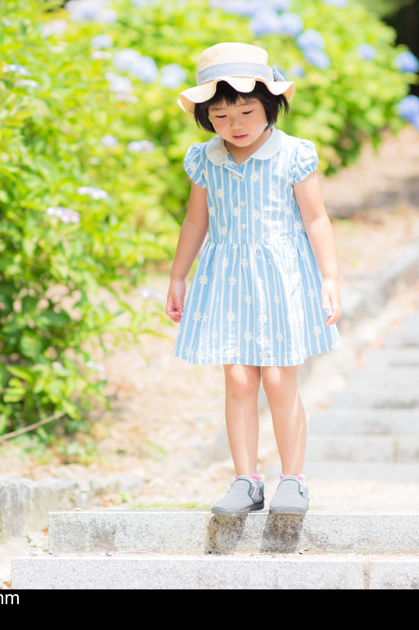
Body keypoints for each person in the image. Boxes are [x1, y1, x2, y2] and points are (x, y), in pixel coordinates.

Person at [165, 42, 342, 517]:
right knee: (239, 380)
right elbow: (195, 222)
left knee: (281, 381)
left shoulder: (293, 155)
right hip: (226, 278)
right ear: (206, 118)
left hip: (280, 279)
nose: (235, 125)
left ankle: (293, 480)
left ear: (270, 105)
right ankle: (246, 480)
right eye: (221, 116)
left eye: (246, 110)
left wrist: (330, 277)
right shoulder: (206, 159)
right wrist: (178, 276)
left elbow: (317, 219)